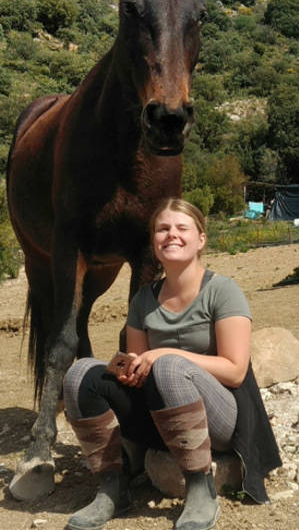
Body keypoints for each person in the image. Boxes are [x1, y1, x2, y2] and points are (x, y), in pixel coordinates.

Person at [59, 198, 282, 530]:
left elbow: (235, 371)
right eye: (162, 229)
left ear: (200, 239)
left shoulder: (223, 291)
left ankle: (200, 486)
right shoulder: (143, 300)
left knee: (169, 368)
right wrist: (130, 370)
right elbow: (140, 373)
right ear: (154, 241)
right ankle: (113, 486)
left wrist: (164, 355)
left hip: (220, 418)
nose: (171, 235)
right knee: (80, 373)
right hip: (163, 415)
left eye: (181, 228)